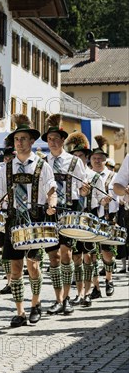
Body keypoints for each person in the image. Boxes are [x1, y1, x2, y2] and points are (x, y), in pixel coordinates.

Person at [0, 115, 57, 327]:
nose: (19, 142)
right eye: (17, 139)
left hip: (35, 218)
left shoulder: (41, 165)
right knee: (15, 268)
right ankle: (20, 311)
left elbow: (51, 189)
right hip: (13, 218)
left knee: (34, 266)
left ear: (31, 142)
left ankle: (35, 304)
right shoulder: (4, 168)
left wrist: (52, 203)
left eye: (24, 138)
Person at [41, 115, 89, 316]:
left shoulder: (74, 162)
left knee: (66, 255)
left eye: (56, 138)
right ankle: (58, 298)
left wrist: (85, 189)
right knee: (53, 257)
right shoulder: (41, 163)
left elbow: (83, 189)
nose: (53, 141)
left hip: (68, 210)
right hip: (48, 212)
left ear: (62, 140)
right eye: (50, 139)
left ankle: (67, 298)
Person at [65, 132, 106, 307]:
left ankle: (88, 293)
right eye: (74, 156)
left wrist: (104, 200)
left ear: (86, 157)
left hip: (90, 219)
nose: (77, 159)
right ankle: (80, 292)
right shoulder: (69, 175)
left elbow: (101, 201)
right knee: (76, 258)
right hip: (74, 220)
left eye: (80, 156)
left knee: (89, 257)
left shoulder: (94, 177)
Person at [89, 136, 119, 297]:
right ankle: (96, 287)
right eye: (94, 158)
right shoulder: (88, 175)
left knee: (107, 252)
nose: (97, 161)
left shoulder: (112, 176)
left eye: (100, 158)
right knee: (91, 253)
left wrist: (110, 200)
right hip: (92, 217)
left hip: (108, 217)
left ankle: (109, 280)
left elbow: (118, 195)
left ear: (105, 160)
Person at [0, 146, 15, 294]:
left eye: (12, 157)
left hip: (20, 211)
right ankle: (9, 281)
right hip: (4, 210)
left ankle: (16, 279)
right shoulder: (1, 171)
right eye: (7, 157)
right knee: (6, 248)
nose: (10, 159)